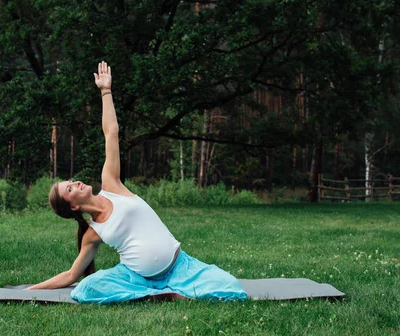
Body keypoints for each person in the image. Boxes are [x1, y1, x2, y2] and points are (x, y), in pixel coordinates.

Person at [26, 61, 247, 304]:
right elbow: (71, 275)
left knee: (231, 288)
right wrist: (30, 289)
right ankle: (157, 294)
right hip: (137, 278)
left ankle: (166, 292)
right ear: (73, 207)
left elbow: (111, 132)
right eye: (69, 188)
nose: (75, 181)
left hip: (181, 268)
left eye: (70, 181)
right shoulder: (92, 233)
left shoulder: (110, 184)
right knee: (85, 289)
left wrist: (105, 92)